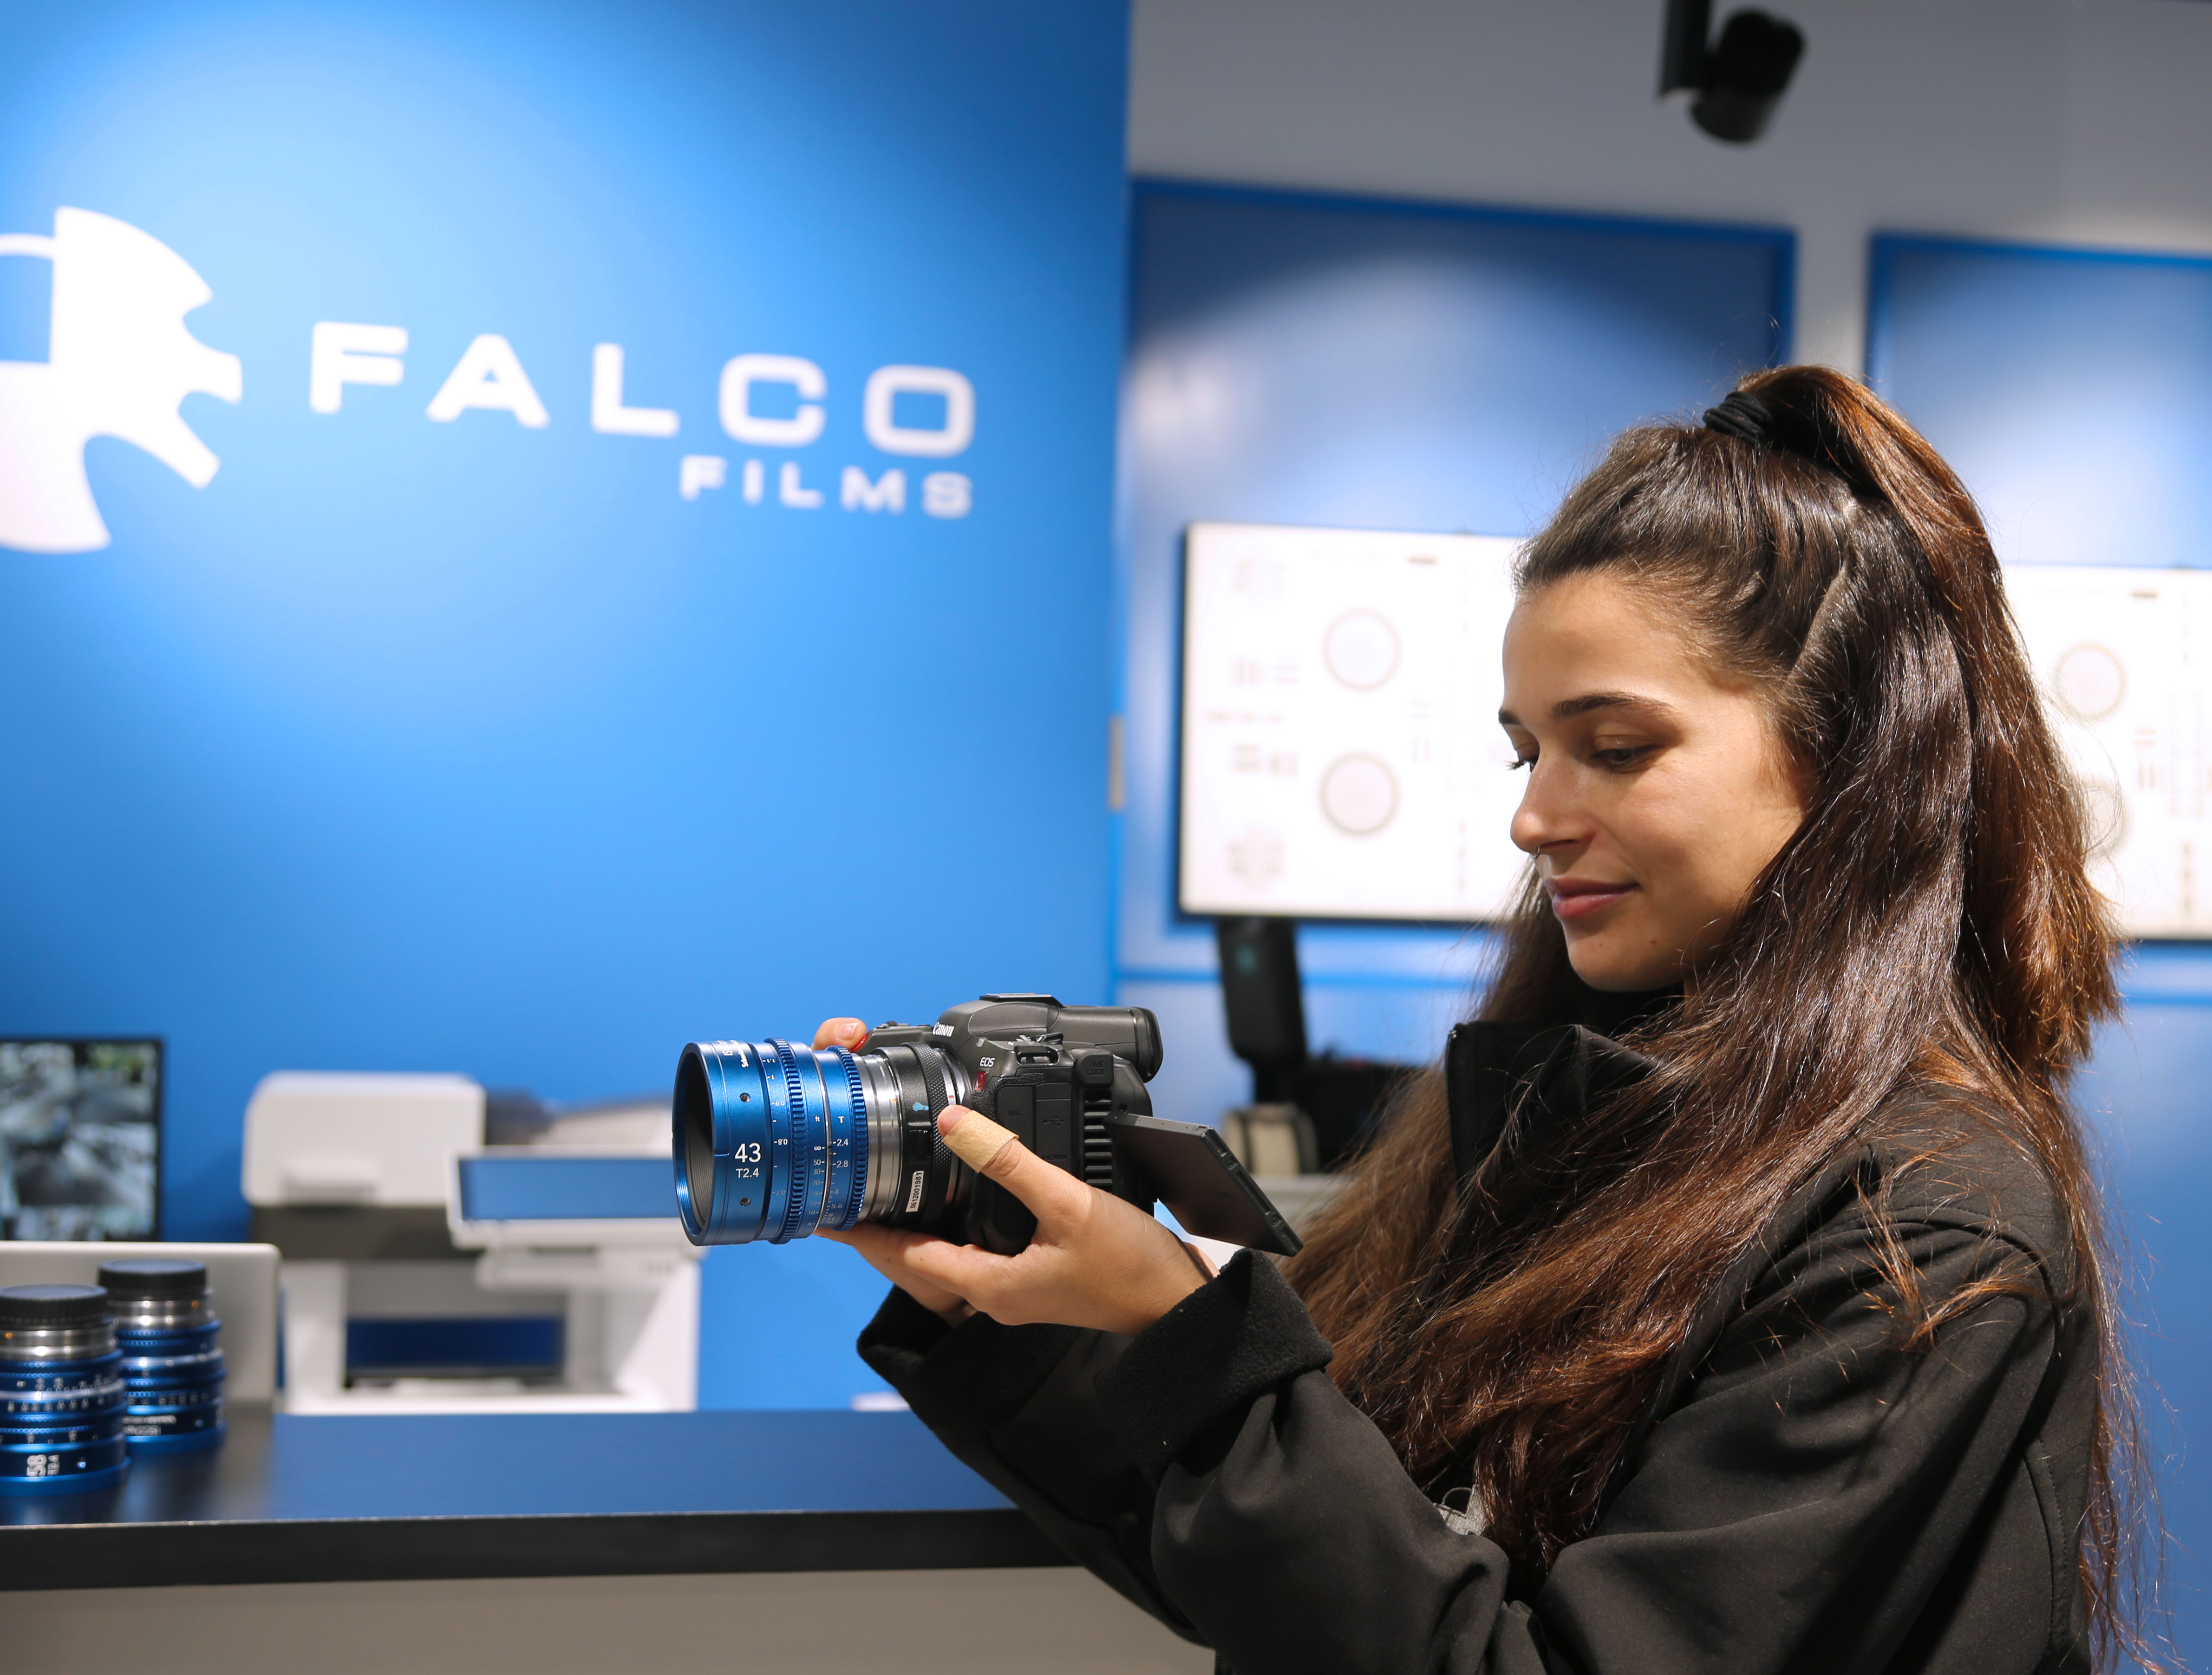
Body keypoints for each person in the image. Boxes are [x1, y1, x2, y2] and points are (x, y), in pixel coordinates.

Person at [814, 365, 2147, 1675]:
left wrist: (1198, 1342)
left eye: (1615, 749)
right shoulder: (1575, 1119)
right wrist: (989, 1292)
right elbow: (1323, 1594)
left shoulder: (1923, 1226)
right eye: (1529, 752)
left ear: (1848, 754)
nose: (1534, 818)